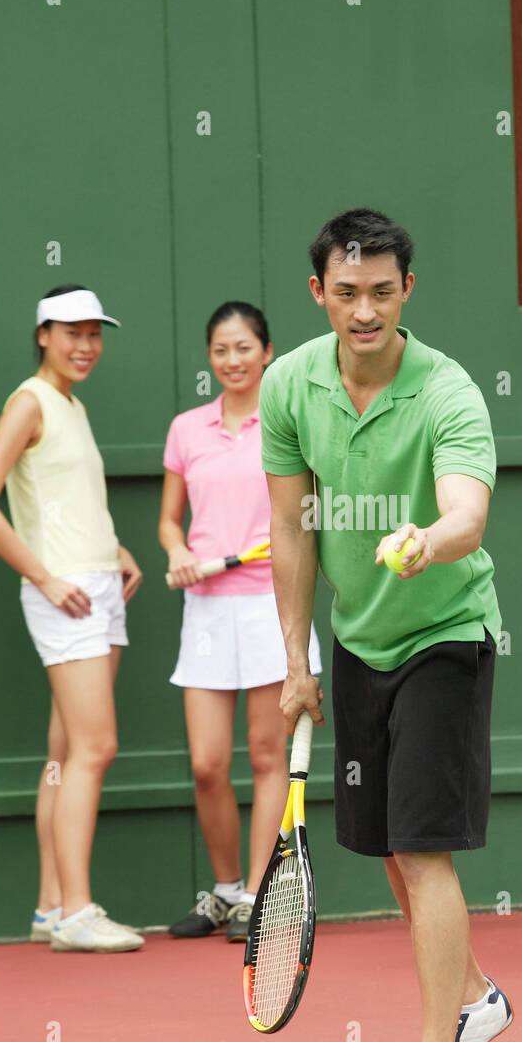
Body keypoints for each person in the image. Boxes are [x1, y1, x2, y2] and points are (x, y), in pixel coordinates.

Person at [259, 209, 513, 1042]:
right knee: (390, 859)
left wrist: (426, 541)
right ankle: (478, 998)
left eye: (381, 292)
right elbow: (291, 526)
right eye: (346, 292)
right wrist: (297, 659)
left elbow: (467, 517)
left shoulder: (449, 393)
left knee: (420, 847)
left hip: (445, 632)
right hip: (358, 642)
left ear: (408, 290)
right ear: (319, 292)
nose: (363, 311)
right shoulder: (289, 387)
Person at [0, 285, 144, 952]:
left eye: (95, 333)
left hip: (96, 586)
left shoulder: (72, 405)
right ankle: (75, 911)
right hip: (64, 592)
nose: (85, 345)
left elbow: (63, 501)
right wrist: (42, 575)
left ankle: (49, 907)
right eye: (72, 332)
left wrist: (115, 549)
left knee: (67, 755)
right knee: (96, 748)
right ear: (43, 334)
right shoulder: (29, 402)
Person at [159, 302, 321, 943]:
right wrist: (177, 552)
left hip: (269, 604)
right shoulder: (186, 430)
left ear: (267, 352)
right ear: (210, 358)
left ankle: (257, 895)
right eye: (221, 350)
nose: (233, 360)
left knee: (262, 753)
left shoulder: (285, 425)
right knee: (205, 764)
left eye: (244, 348)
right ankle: (224, 892)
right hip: (205, 611)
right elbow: (171, 520)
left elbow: (303, 515)